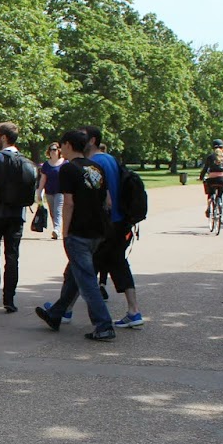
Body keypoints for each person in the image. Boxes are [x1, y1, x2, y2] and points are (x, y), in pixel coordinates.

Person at [35, 129, 115, 341]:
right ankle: (56, 313)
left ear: (68, 145)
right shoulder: (96, 167)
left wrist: (65, 231)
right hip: (98, 230)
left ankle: (104, 325)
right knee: (74, 275)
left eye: (62, 145)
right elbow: (107, 201)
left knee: (86, 280)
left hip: (79, 231)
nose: (60, 148)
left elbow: (68, 203)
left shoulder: (68, 169)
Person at [82, 126, 144, 329]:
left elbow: (98, 196)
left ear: (92, 140)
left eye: (82, 136)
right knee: (118, 264)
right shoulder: (110, 159)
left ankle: (64, 309)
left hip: (104, 224)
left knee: (83, 267)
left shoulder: (94, 163)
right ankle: (134, 311)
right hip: (119, 221)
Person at [0, 121, 33, 317]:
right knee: (12, 257)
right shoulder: (25, 160)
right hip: (17, 214)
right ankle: (10, 299)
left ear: (3, 137)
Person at [199, 139, 223, 218]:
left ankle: (209, 207)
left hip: (212, 179)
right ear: (222, 147)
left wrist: (201, 177)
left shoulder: (210, 157)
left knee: (210, 193)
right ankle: (220, 214)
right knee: (220, 195)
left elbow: (205, 169)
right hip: (222, 179)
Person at [39, 142, 63, 238]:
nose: (52, 151)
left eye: (54, 149)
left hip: (60, 191)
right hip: (49, 191)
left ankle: (57, 229)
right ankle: (56, 230)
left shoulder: (64, 163)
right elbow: (43, 179)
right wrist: (39, 191)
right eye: (51, 150)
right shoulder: (46, 164)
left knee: (58, 211)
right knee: (52, 212)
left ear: (59, 151)